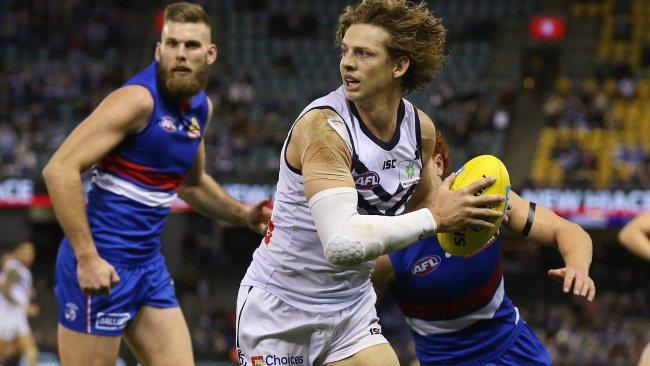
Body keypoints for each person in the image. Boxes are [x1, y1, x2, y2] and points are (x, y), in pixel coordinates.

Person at [236, 1, 506, 365]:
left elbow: (427, 202)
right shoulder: (324, 130)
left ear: (399, 65)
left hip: (351, 308)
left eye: (363, 53)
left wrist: (466, 212)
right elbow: (341, 243)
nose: (347, 62)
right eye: (345, 51)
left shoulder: (419, 130)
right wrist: (437, 219)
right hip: (281, 309)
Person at [42, 3, 271, 365]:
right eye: (172, 43)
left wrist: (242, 214)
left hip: (148, 268)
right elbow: (59, 169)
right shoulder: (137, 101)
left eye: (192, 45)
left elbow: (191, 184)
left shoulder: (200, 109)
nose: (181, 53)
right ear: (158, 50)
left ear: (210, 54)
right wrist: (87, 259)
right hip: (100, 267)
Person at [372, 130, 596, 365]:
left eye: (411, 165)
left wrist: (577, 267)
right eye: (392, 169)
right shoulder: (387, 246)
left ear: (438, 163)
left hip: (515, 353)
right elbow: (361, 328)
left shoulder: (486, 200)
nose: (402, 177)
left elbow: (568, 231)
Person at [0, 241, 39, 366]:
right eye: (26, 251)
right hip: (7, 318)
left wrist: (28, 293)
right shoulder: (14, 267)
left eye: (32, 252)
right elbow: (5, 289)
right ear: (18, 251)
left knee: (31, 353)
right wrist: (24, 307)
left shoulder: (23, 271)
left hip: (19, 319)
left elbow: (14, 288)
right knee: (6, 353)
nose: (29, 255)